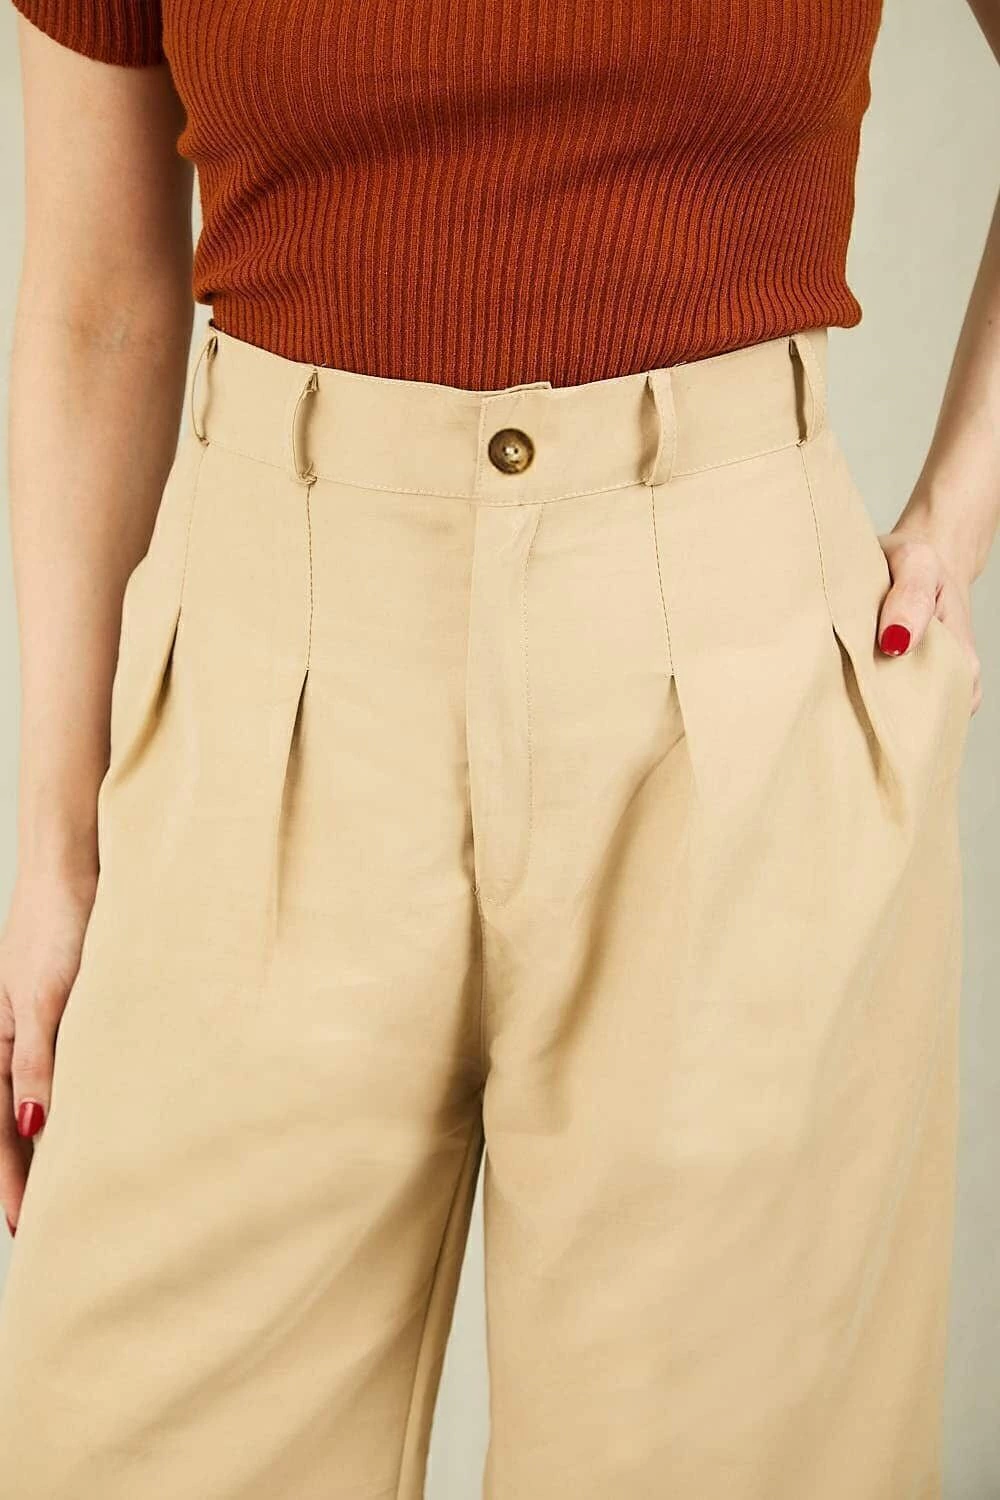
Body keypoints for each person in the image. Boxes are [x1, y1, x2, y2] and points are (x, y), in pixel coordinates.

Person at [0, 2, 996, 1496]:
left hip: (738, 710)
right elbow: (98, 306)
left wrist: (956, 522)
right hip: (259, 692)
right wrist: (55, 850)